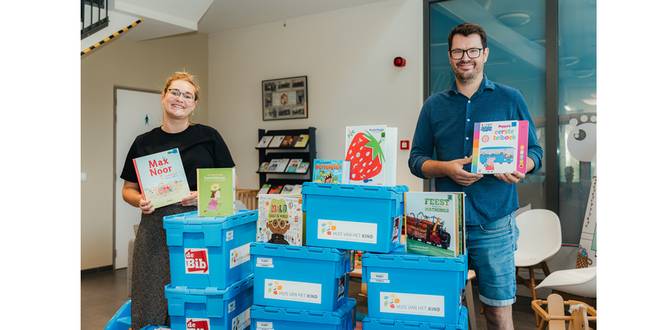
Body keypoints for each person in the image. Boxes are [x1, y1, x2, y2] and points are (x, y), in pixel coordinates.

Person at [408, 23, 543, 330]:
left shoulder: (510, 98)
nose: (464, 57)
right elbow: (416, 160)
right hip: (442, 226)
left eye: (472, 51)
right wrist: (445, 168)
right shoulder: (433, 106)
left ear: (485, 54)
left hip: (494, 224)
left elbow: (535, 150)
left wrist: (524, 167)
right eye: (458, 51)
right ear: (450, 56)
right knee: (439, 309)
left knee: (497, 313)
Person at [120, 71, 235, 329]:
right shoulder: (143, 143)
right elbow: (127, 189)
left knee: (195, 293)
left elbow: (228, 185)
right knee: (150, 296)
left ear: (194, 104)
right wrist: (139, 200)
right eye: (174, 92)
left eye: (187, 95)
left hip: (200, 226)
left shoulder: (209, 136)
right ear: (163, 96)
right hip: (155, 229)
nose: (180, 99)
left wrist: (202, 196)